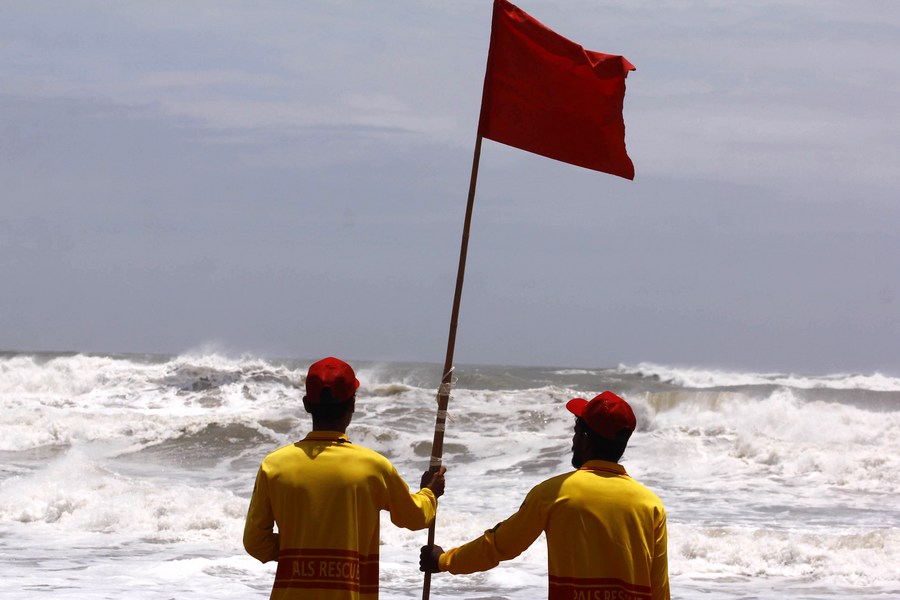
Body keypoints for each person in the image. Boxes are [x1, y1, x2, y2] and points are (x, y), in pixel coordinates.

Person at [420, 390, 669, 600]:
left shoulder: (554, 494)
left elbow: (499, 546)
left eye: (576, 431)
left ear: (585, 438)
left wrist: (443, 561)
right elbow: (659, 590)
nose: (573, 440)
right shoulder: (651, 505)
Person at [244, 356, 446, 599]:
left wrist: (298, 550)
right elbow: (414, 517)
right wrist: (429, 493)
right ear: (352, 404)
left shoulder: (274, 465)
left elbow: (255, 542)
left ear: (307, 404)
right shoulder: (374, 467)